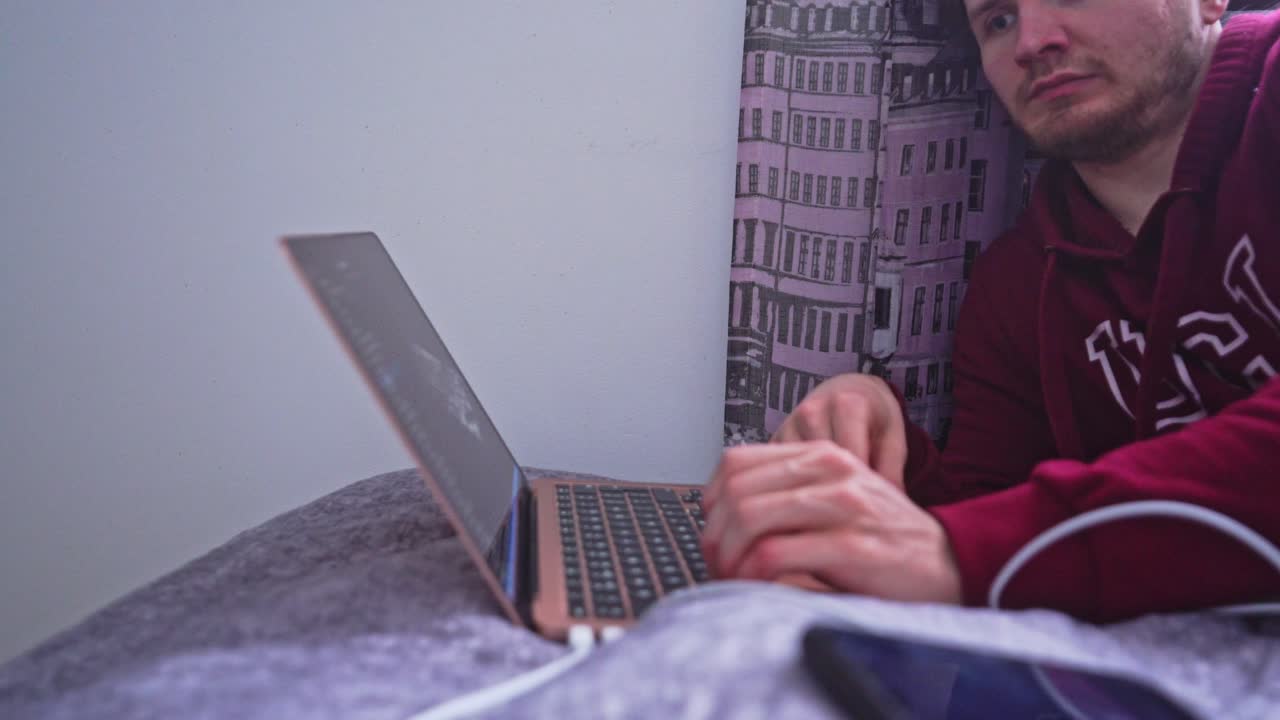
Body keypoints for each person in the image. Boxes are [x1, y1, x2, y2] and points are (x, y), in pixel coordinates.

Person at [701, 0, 1280, 622]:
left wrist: (965, 553)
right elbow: (983, 521)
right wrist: (885, 445)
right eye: (998, 20)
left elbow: (981, 550)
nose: (1031, 42)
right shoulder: (1017, 287)